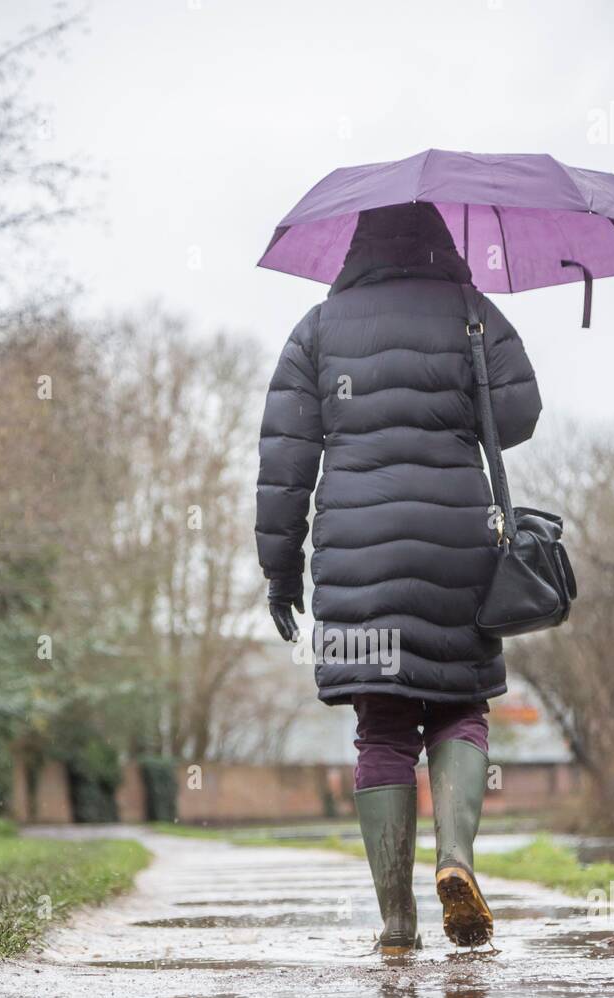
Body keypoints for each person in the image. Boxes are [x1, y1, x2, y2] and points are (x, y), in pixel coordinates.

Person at [255, 202, 541, 953]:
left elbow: (284, 465)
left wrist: (280, 573)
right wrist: (466, 374)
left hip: (356, 555)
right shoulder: (472, 312)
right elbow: (518, 416)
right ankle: (456, 859)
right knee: (461, 705)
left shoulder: (317, 328)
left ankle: (396, 921)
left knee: (382, 727)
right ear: (443, 243)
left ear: (356, 246)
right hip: (458, 542)